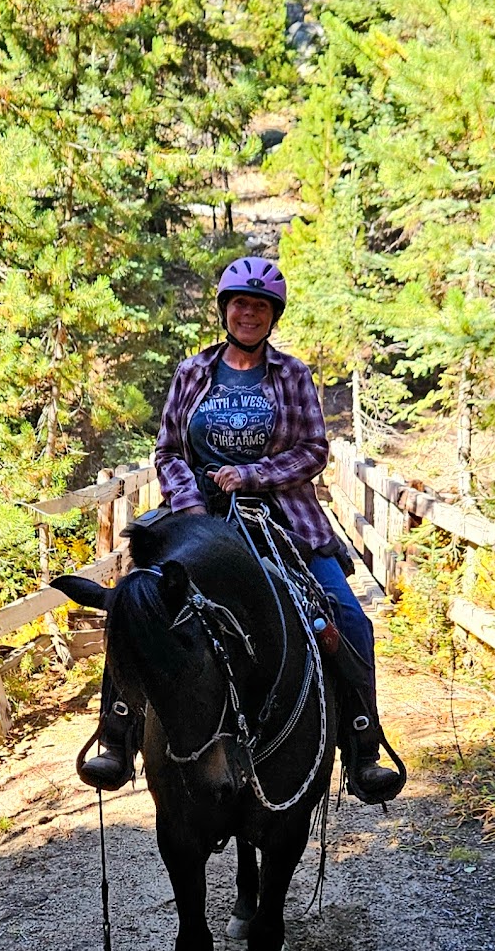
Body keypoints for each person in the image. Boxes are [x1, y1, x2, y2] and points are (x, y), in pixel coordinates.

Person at [78, 256, 403, 804]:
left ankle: (363, 744)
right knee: (137, 606)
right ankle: (116, 736)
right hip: (195, 518)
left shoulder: (294, 375)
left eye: (259, 306)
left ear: (271, 316)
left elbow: (314, 450)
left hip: (282, 519)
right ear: (225, 311)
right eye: (239, 304)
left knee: (349, 617)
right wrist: (190, 503)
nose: (247, 313)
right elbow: (168, 451)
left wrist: (251, 474)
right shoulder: (193, 373)